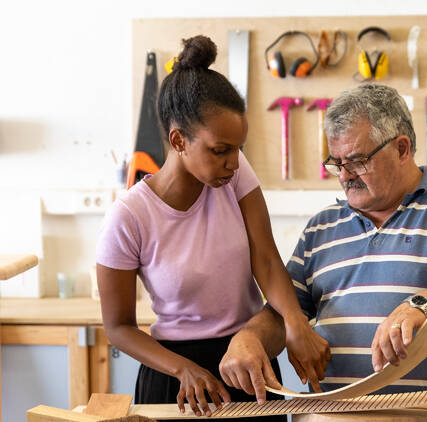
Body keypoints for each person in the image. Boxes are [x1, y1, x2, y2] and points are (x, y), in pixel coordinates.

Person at [219, 84, 427, 421]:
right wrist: (249, 338)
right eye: (337, 164)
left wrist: (419, 305)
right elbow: (283, 314)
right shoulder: (322, 228)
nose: (345, 176)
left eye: (357, 161)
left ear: (402, 148)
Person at [96, 35, 328, 420]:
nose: (234, 162)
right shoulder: (127, 217)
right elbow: (118, 328)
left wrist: (295, 323)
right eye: (221, 150)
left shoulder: (233, 176)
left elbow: (267, 260)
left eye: (239, 149)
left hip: (247, 362)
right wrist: (181, 368)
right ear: (178, 140)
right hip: (175, 375)